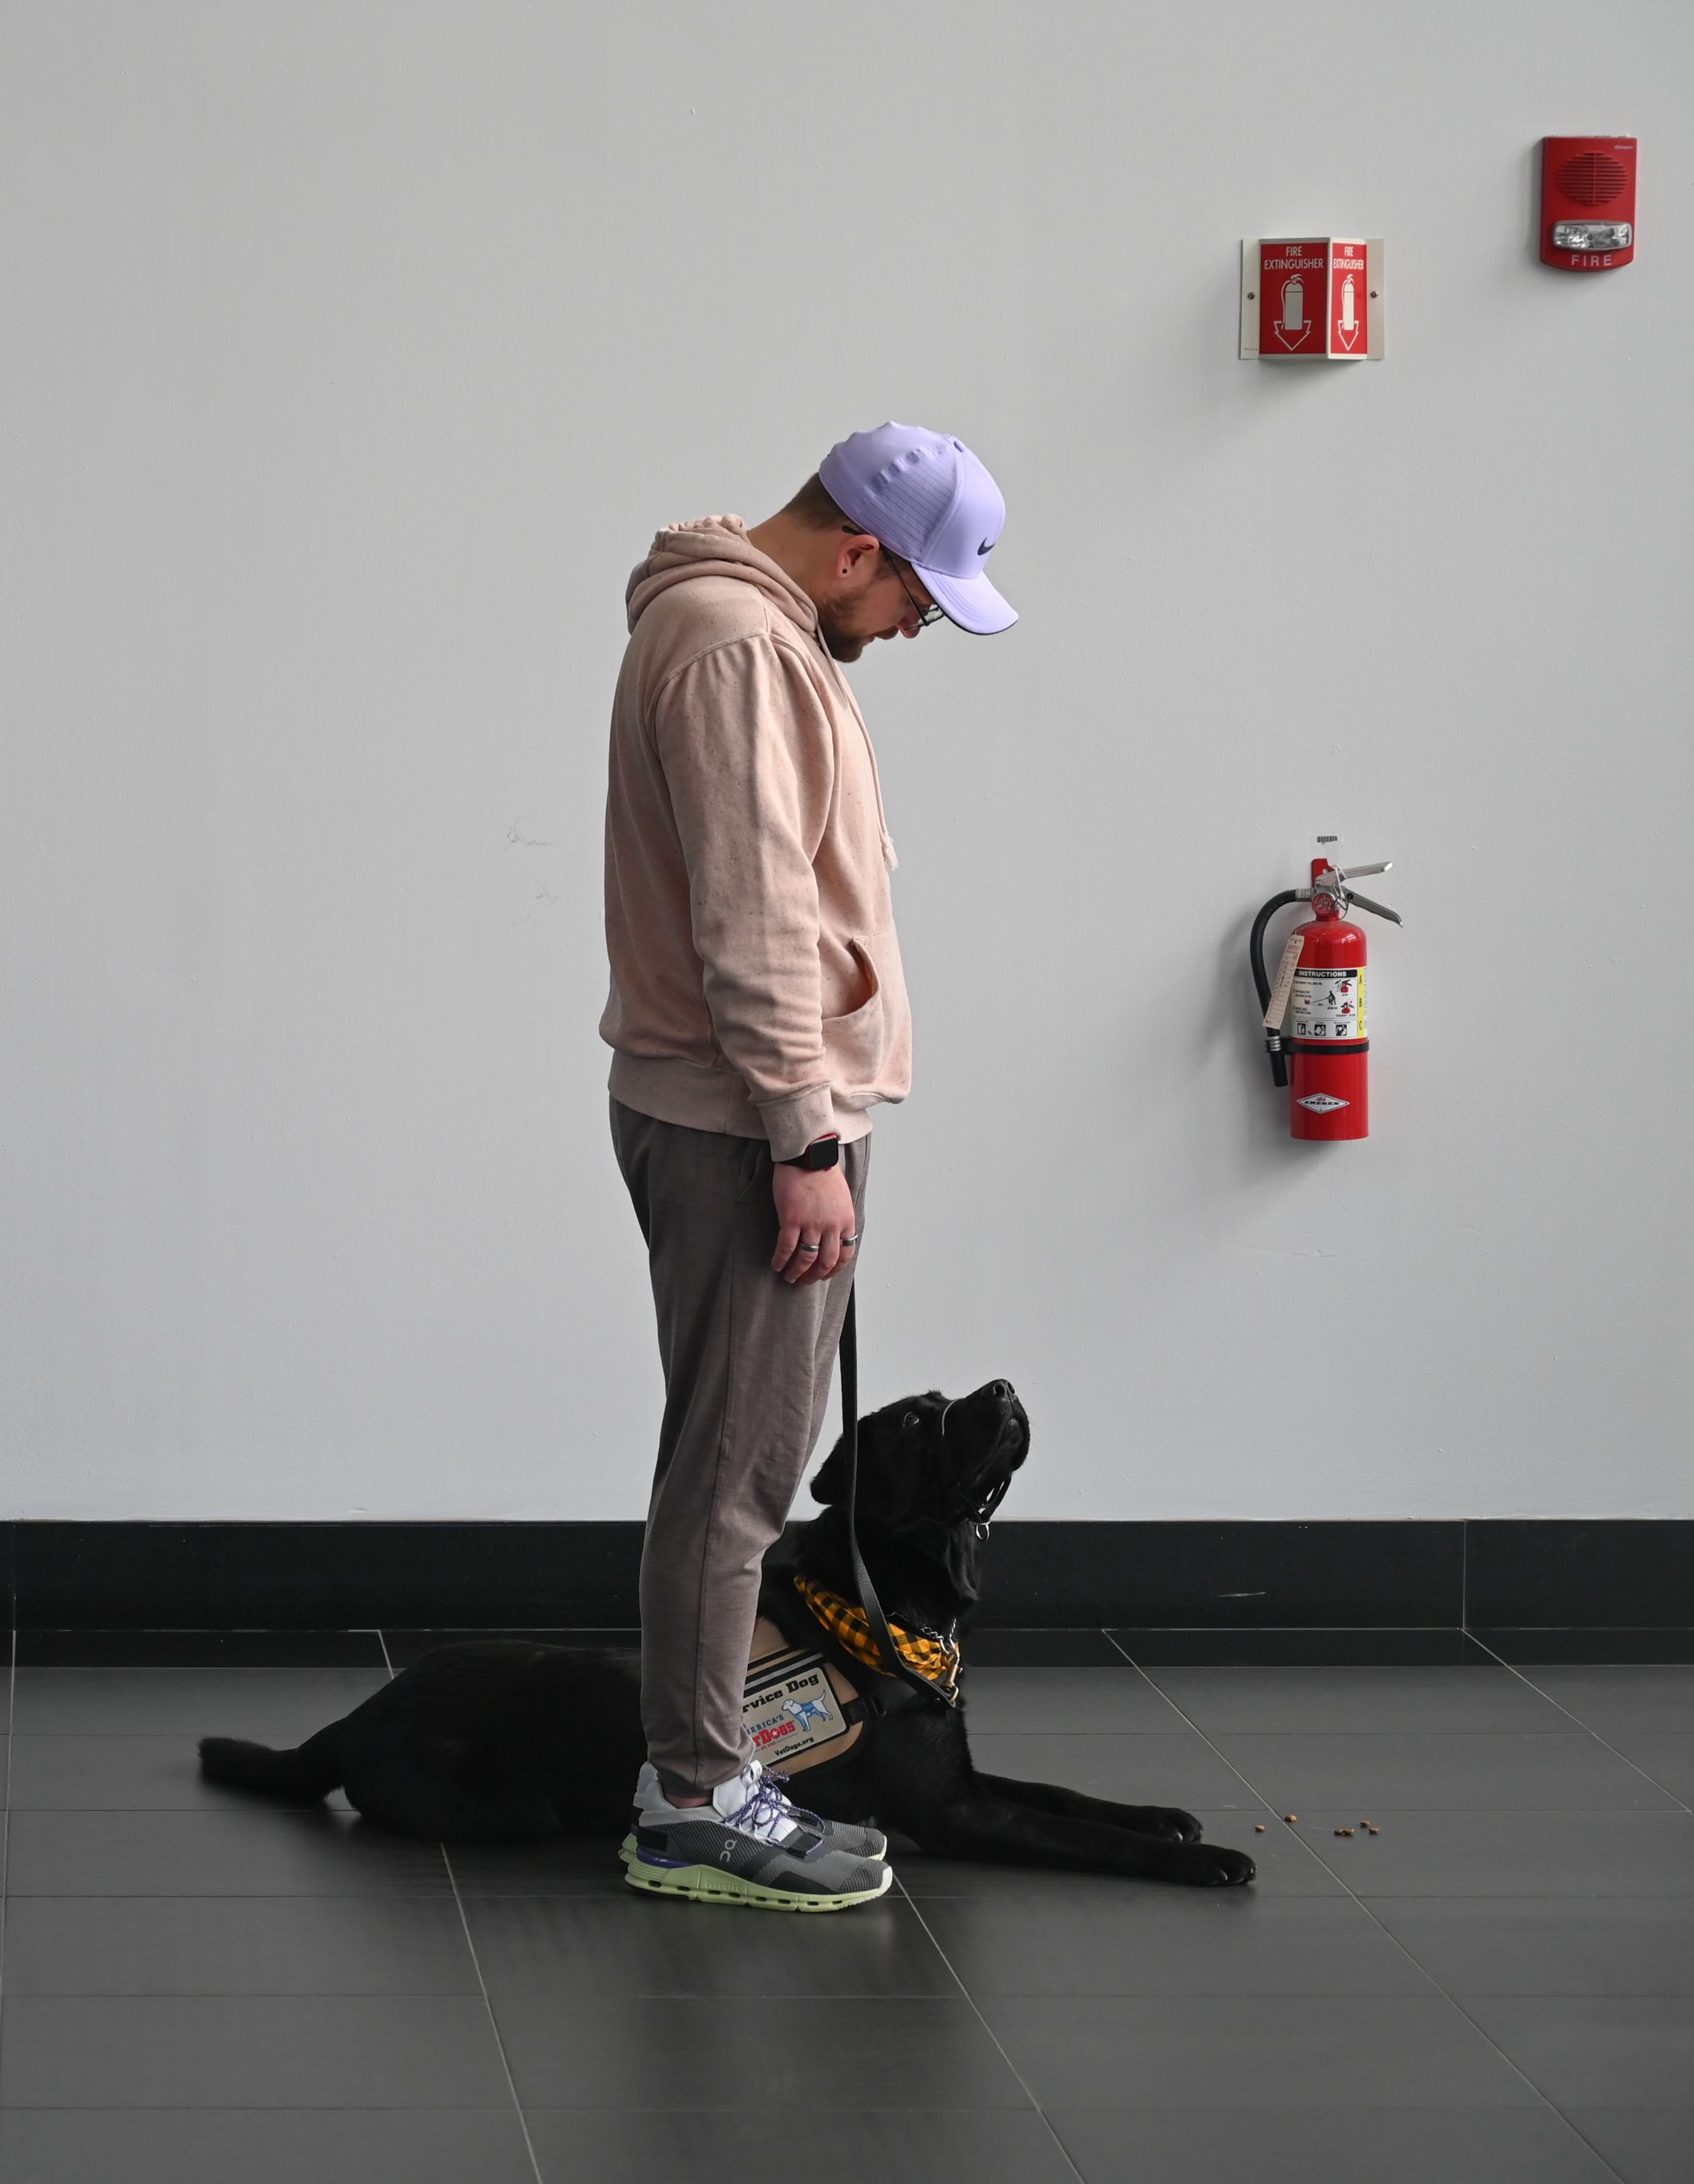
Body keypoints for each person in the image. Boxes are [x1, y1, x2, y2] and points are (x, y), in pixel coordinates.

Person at [598, 422, 1016, 1910]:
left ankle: (701, 1772)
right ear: (856, 552)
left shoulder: (752, 635)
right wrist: (808, 1140)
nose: (916, 625)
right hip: (743, 1123)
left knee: (733, 1466)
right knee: (734, 1480)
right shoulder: (737, 649)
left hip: (743, 1114)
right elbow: (759, 921)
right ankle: (694, 1798)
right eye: (917, 598)